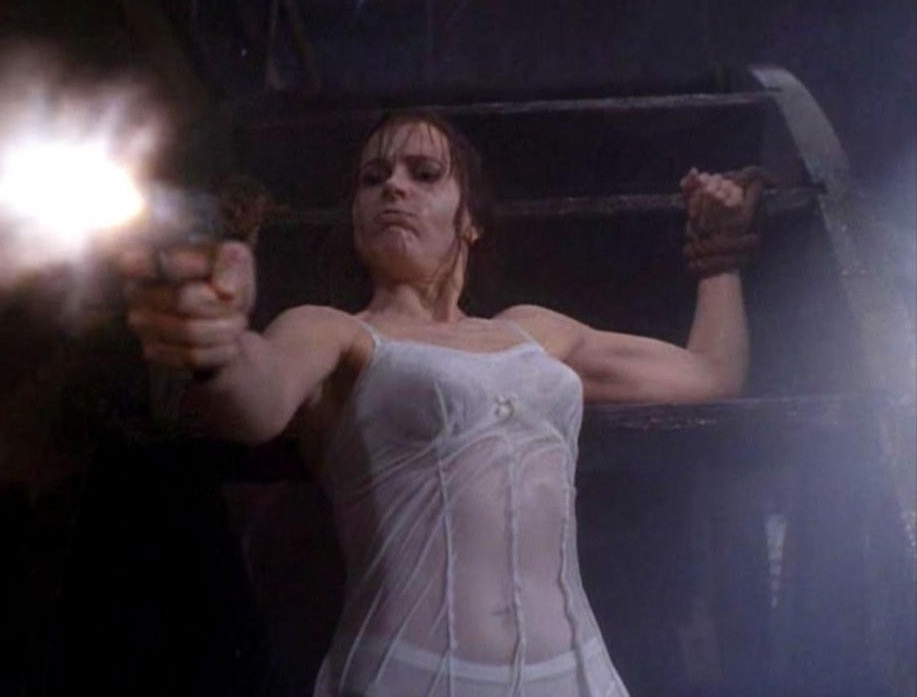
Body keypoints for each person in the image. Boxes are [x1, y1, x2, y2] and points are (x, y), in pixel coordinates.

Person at [119, 110, 765, 696]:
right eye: (372, 179)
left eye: (423, 173)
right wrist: (217, 344)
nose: (393, 188)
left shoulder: (534, 331)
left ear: (471, 220)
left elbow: (709, 374)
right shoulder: (333, 330)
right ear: (355, 216)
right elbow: (255, 400)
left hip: (577, 677)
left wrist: (718, 257)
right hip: (407, 677)